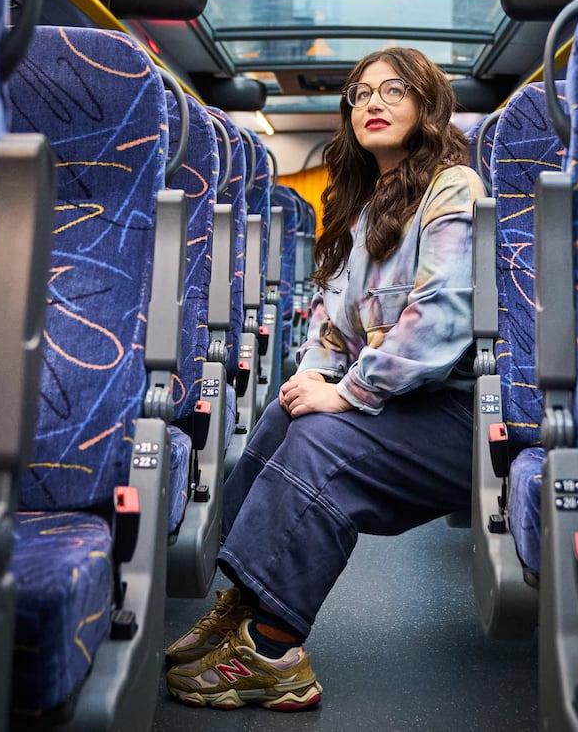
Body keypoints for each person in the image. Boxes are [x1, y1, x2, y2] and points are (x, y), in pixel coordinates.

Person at [165, 47, 487, 710]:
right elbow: (332, 328)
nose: (371, 102)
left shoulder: (455, 187)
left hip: (458, 412)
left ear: (428, 106)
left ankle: (274, 648)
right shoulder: (367, 205)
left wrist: (345, 393)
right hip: (404, 406)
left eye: (393, 90)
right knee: (288, 417)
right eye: (360, 93)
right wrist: (311, 383)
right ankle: (249, 599)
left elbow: (442, 317)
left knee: (321, 441)